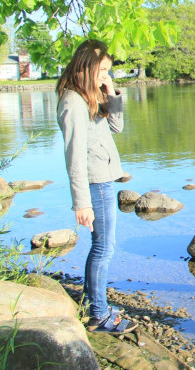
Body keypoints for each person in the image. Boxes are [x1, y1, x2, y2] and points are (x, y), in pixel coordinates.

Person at [56, 39, 136, 333]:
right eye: (103, 70)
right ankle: (99, 315)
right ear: (87, 66)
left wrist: (111, 92)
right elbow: (74, 155)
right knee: (104, 247)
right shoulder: (73, 101)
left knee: (103, 246)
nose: (106, 75)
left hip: (103, 179)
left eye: (108, 71)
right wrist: (81, 203)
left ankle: (96, 308)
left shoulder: (88, 96)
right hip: (95, 183)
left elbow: (117, 127)